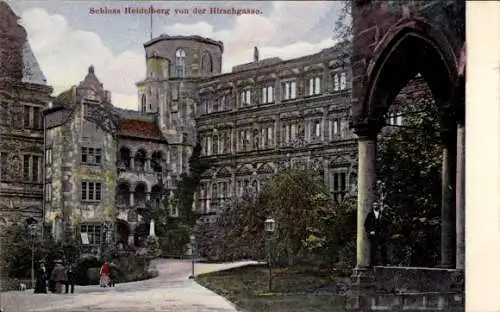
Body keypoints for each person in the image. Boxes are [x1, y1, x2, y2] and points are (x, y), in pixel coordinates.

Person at [364, 201, 390, 267]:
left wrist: (385, 214)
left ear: (378, 206)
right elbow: (366, 224)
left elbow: (388, 222)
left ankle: (385, 262)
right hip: (374, 234)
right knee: (373, 249)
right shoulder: (370, 214)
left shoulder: (382, 214)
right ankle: (372, 263)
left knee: (383, 248)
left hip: (381, 234)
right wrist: (370, 231)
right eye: (374, 205)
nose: (375, 206)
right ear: (372, 206)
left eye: (376, 205)